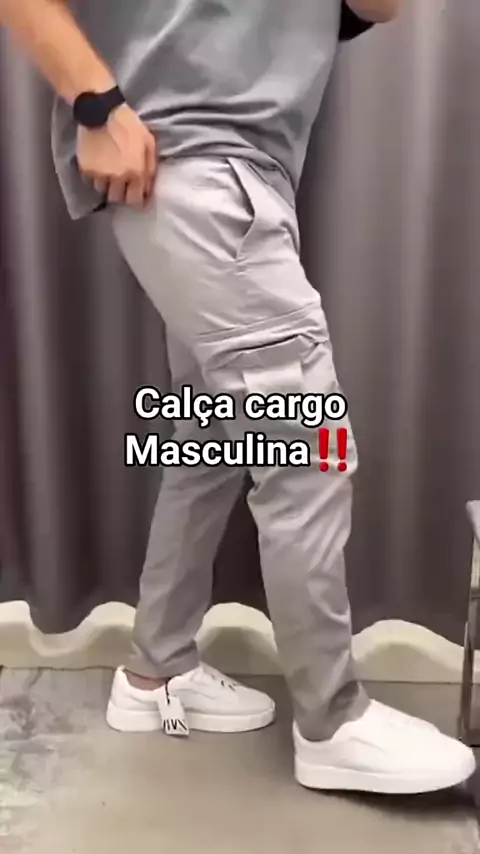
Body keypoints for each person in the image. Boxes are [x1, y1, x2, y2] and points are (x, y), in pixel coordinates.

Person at [0, 0, 475, 795]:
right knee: (308, 449)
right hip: (192, 158)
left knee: (215, 445)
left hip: (243, 173)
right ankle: (332, 721)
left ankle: (156, 671)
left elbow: (379, 7)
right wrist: (96, 104)